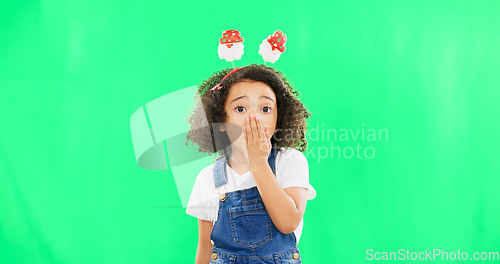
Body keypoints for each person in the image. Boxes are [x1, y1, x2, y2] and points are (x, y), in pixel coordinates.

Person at [185, 64, 316, 263]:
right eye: (240, 108)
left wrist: (259, 162)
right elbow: (205, 250)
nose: (253, 117)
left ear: (278, 118)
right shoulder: (207, 178)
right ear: (221, 121)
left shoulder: (290, 161)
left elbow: (288, 222)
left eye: (265, 109)